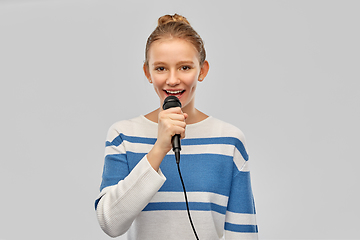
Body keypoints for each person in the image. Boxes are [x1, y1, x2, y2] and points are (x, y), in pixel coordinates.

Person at [95, 14, 258, 239]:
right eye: (161, 68)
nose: (172, 80)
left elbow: (242, 231)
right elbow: (109, 223)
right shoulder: (123, 135)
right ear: (147, 72)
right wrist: (159, 148)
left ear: (202, 70)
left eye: (184, 67)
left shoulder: (229, 140)